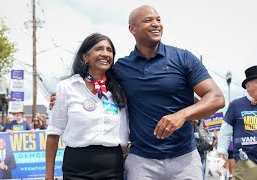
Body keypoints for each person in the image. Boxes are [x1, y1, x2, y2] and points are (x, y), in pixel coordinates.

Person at [49, 5, 224, 180]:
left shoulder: (183, 58)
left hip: (185, 158)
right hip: (142, 162)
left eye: (158, 20)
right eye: (148, 20)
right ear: (132, 29)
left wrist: (182, 115)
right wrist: (63, 97)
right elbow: (92, 81)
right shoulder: (121, 69)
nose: (156, 24)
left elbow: (216, 98)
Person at [45, 33, 129, 180]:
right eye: (98, 49)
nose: (105, 53)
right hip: (76, 168)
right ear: (85, 57)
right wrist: (49, 176)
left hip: (113, 168)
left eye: (109, 50)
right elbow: (53, 134)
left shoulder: (121, 89)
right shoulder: (67, 87)